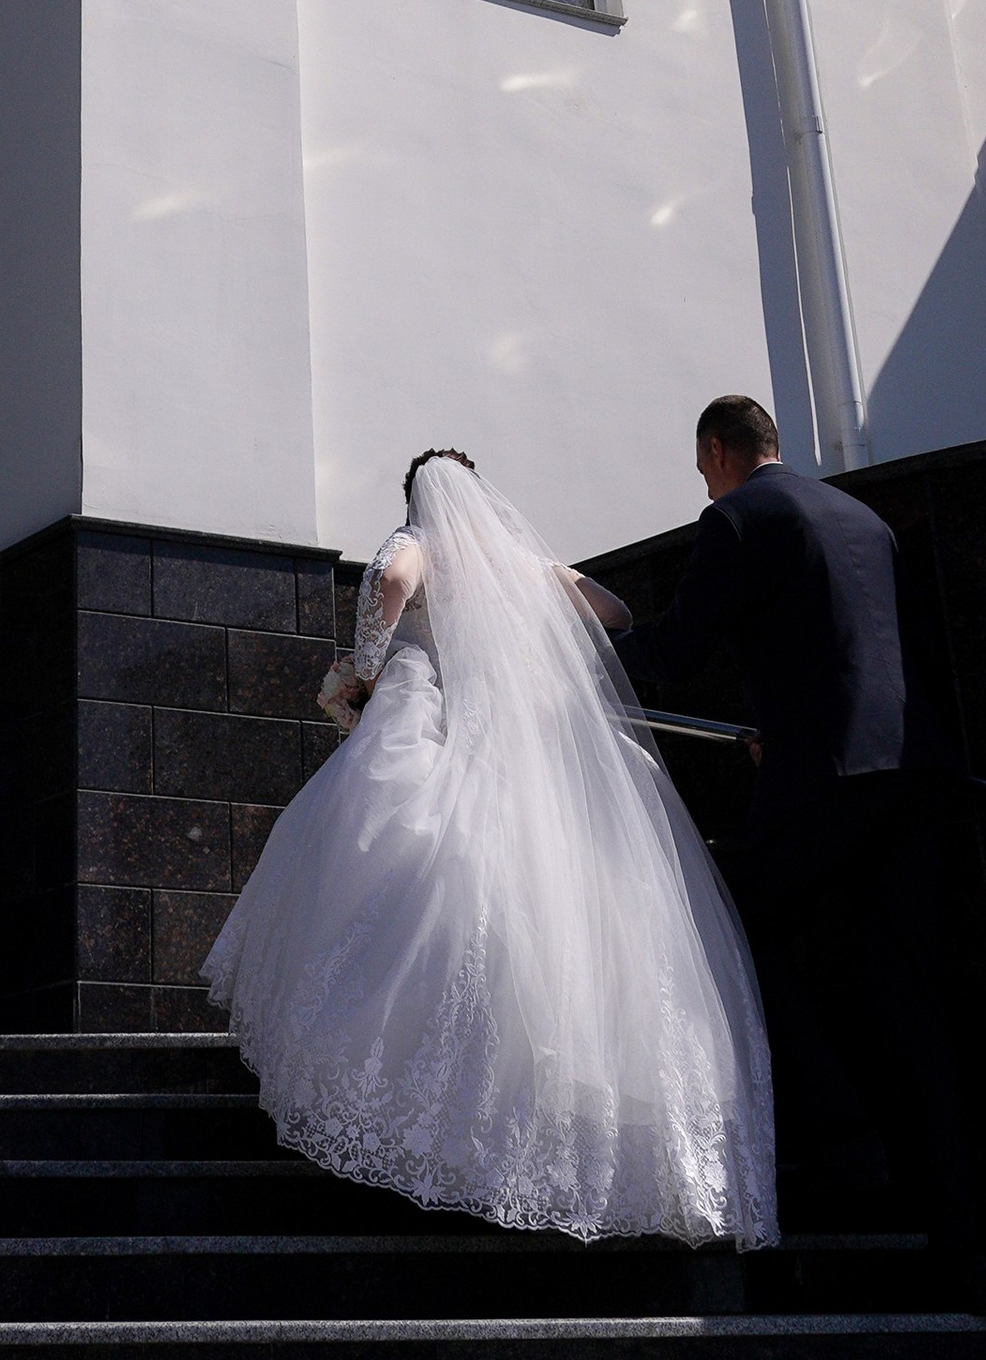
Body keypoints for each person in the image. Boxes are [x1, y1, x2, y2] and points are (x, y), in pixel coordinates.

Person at [202, 447, 776, 1246]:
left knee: (410, 876)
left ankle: (416, 1103)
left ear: (415, 498)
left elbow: (394, 577)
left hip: (438, 720)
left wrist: (367, 663)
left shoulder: (418, 540)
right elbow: (614, 610)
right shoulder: (519, 560)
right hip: (524, 745)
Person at [612, 393, 983, 1286]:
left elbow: (675, 651)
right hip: (915, 773)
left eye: (703, 469)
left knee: (727, 934)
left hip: (826, 778)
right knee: (912, 998)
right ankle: (968, 1250)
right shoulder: (862, 518)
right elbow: (848, 648)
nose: (706, 485)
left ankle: (842, 1138)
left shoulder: (739, 517)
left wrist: (576, 644)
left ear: (718, 451)